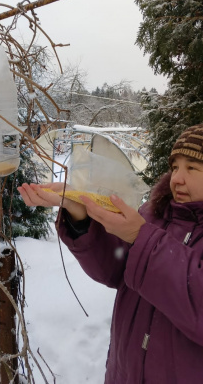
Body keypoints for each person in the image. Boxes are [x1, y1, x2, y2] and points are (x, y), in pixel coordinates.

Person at [17, 123, 203, 384]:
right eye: (175, 167)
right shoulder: (153, 215)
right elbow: (115, 270)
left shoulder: (146, 229)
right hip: (125, 373)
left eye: (192, 168)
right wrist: (79, 216)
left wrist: (142, 239)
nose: (177, 178)